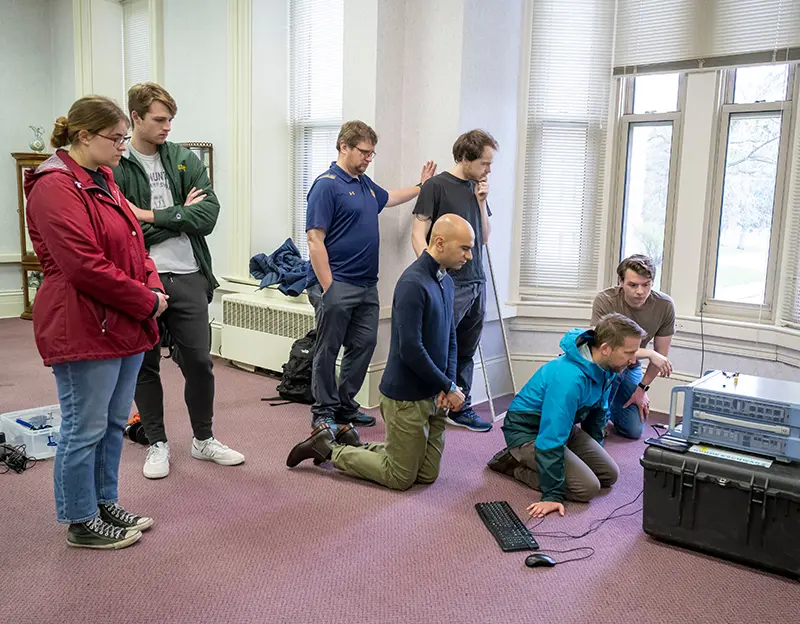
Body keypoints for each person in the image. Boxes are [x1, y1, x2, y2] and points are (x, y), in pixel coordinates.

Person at [25, 95, 167, 549]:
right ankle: (81, 519)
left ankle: (105, 502)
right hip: (82, 321)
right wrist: (146, 300)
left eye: (125, 138)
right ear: (84, 136)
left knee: (111, 424)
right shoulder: (53, 185)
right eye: (116, 138)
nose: (123, 147)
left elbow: (134, 242)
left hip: (122, 316)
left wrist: (152, 285)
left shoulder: (103, 178)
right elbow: (83, 265)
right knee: (82, 427)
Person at [113, 82, 244, 479]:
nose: (168, 126)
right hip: (139, 277)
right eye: (159, 119)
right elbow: (120, 230)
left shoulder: (185, 159)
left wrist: (150, 216)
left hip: (188, 274)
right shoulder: (115, 165)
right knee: (144, 365)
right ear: (135, 117)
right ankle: (157, 443)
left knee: (201, 364)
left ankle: (203, 440)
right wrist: (177, 217)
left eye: (170, 119)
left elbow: (208, 216)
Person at [286, 215, 474, 490]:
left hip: (433, 392)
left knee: (426, 474)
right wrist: (445, 384)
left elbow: (450, 338)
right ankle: (327, 448)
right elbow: (411, 349)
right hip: (405, 398)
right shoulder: (413, 283)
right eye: (465, 248)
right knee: (400, 477)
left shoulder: (446, 281)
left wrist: (449, 385)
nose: (469, 256)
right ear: (440, 242)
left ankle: (351, 438)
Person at [305, 120, 437, 432]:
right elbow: (314, 239)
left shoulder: (363, 184)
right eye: (363, 152)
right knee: (327, 349)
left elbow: (389, 197)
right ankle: (323, 412)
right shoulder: (327, 185)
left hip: (367, 285)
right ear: (344, 147)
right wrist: (329, 288)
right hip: (337, 285)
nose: (368, 158)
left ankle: (345, 406)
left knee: (363, 345)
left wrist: (422, 188)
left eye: (371, 154)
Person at [488, 313, 645, 519]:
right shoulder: (569, 378)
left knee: (608, 475)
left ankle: (544, 465)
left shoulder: (606, 369)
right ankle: (513, 464)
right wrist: (552, 495)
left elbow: (597, 416)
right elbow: (551, 436)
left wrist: (593, 453)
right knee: (587, 489)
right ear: (606, 349)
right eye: (629, 352)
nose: (634, 360)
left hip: (561, 427)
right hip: (527, 432)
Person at [410, 129, 498, 433]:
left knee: (466, 351)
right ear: (466, 158)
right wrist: (432, 276)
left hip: (476, 281)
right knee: (438, 346)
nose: (488, 170)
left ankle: (461, 405)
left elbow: (484, 238)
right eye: (485, 163)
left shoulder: (478, 189)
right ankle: (431, 404)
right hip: (450, 283)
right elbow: (418, 234)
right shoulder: (436, 187)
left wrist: (481, 202)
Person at [592, 255, 676, 439]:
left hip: (632, 367)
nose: (640, 291)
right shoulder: (605, 300)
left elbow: (661, 357)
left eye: (646, 285)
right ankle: (598, 417)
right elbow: (603, 349)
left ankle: (610, 405)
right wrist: (649, 353)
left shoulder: (665, 305)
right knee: (615, 372)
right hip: (607, 367)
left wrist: (641, 389)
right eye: (633, 285)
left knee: (634, 431)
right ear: (621, 281)